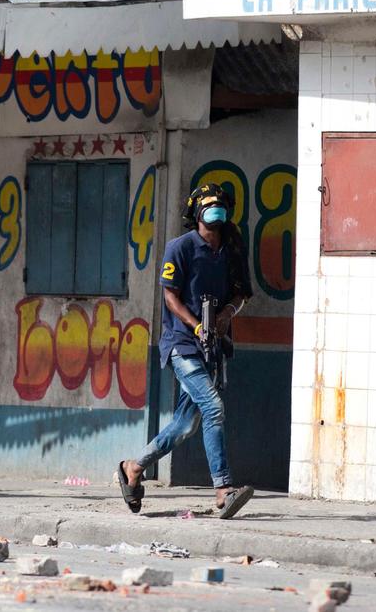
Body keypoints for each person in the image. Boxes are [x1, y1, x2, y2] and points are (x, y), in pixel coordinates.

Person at [118, 183, 255, 519]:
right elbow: (170, 297)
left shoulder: (232, 247)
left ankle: (133, 468)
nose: (215, 209)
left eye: (220, 204)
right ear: (196, 212)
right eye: (208, 204)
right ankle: (223, 489)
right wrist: (196, 325)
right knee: (213, 407)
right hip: (182, 344)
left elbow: (242, 293)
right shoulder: (179, 247)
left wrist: (226, 314)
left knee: (183, 426)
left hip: (213, 347)